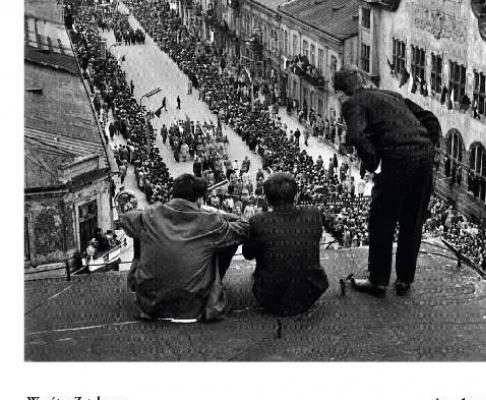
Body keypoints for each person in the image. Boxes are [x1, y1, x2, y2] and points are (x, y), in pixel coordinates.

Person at [334, 67, 440, 297]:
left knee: (382, 221)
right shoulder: (392, 95)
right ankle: (404, 280)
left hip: (397, 162)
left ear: (341, 93)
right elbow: (430, 118)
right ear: (362, 81)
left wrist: (375, 164)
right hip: (423, 160)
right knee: (413, 221)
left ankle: (378, 280)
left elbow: (356, 135)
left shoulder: (353, 103)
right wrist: (427, 146)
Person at [119, 174, 250, 322]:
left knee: (141, 231)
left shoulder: (150, 215)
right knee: (225, 240)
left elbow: (125, 218)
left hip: (150, 305)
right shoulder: (209, 220)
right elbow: (244, 227)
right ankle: (213, 287)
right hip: (193, 307)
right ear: (200, 199)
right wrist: (218, 212)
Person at [242, 172, 329, 316]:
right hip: (311, 291)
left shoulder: (258, 221)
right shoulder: (313, 213)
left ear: (268, 199)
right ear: (295, 195)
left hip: (270, 296)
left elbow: (248, 254)